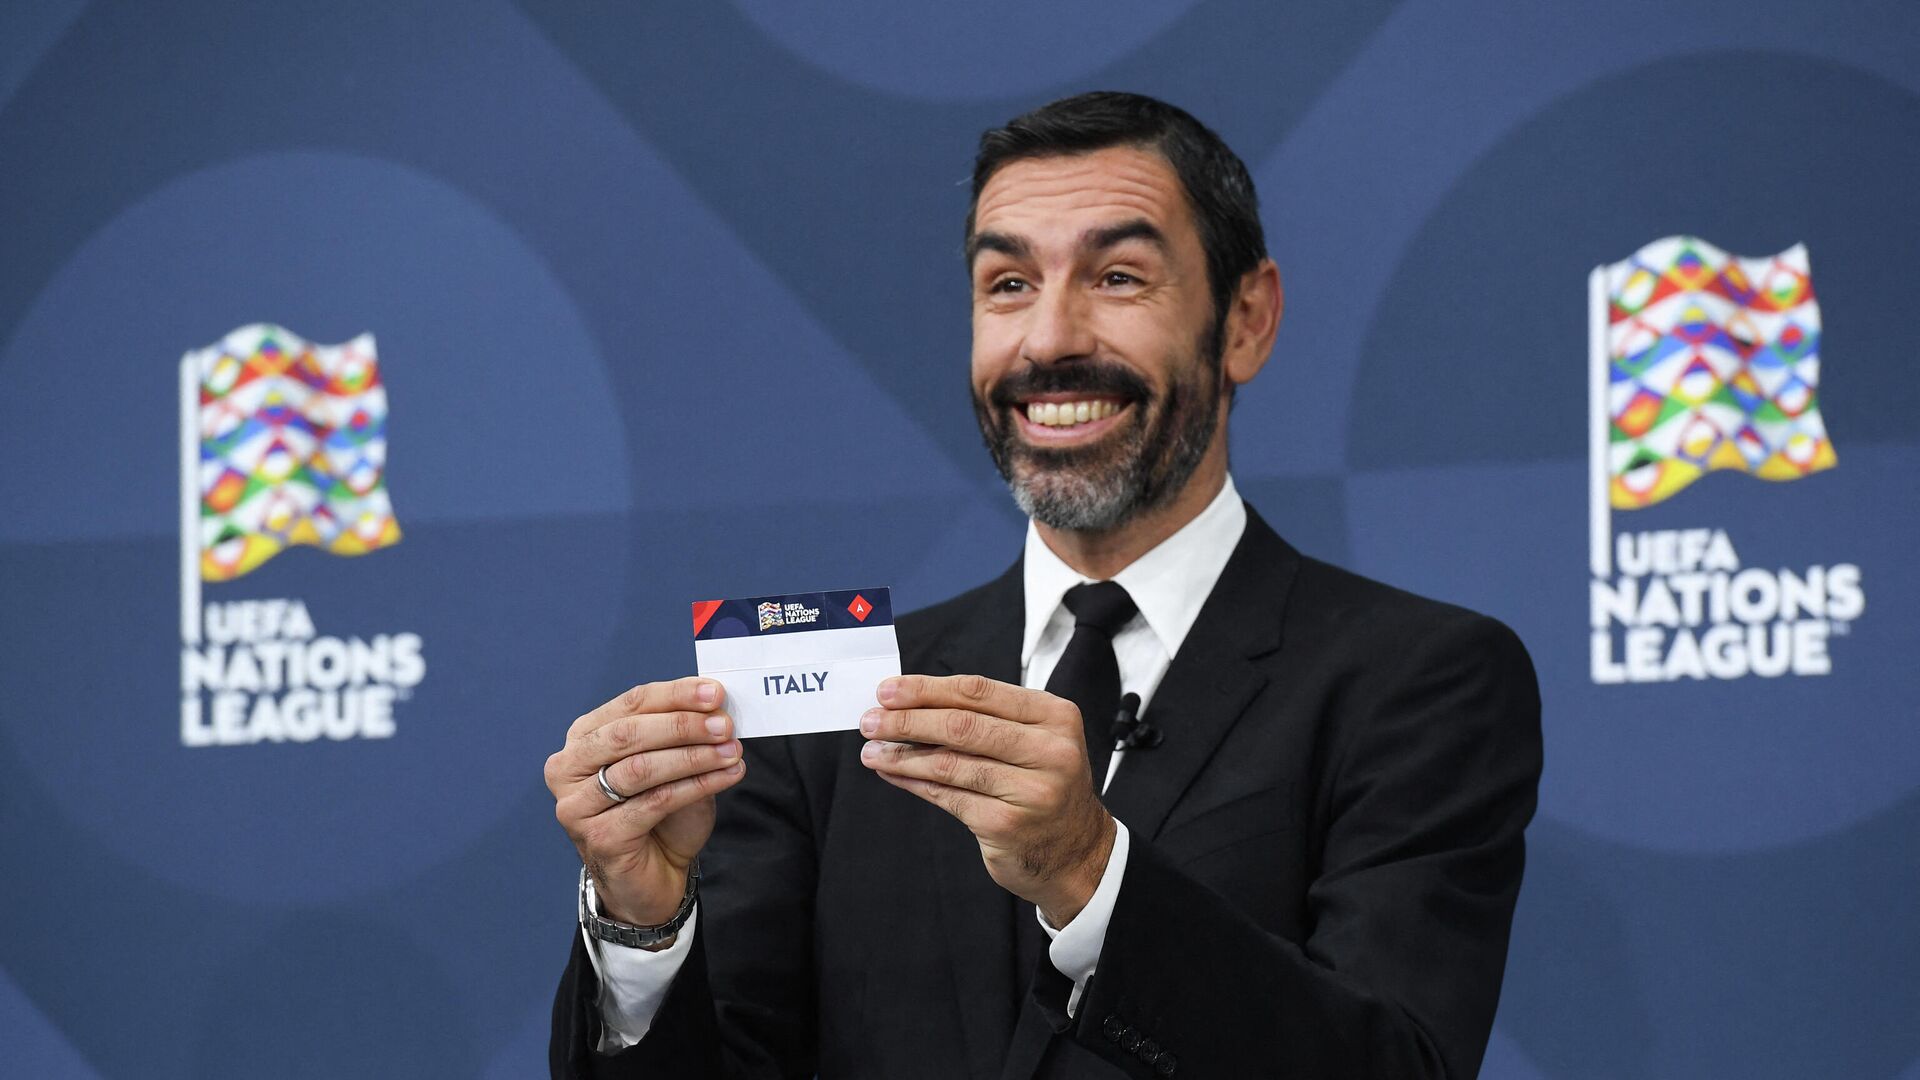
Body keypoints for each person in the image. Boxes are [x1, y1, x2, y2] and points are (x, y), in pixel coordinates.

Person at [545, 91, 1541, 1079]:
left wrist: (1088, 876)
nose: (1050, 341)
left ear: (1246, 319)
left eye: (1117, 276)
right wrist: (644, 926)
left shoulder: (1420, 681)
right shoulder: (827, 718)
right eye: (1009, 284)